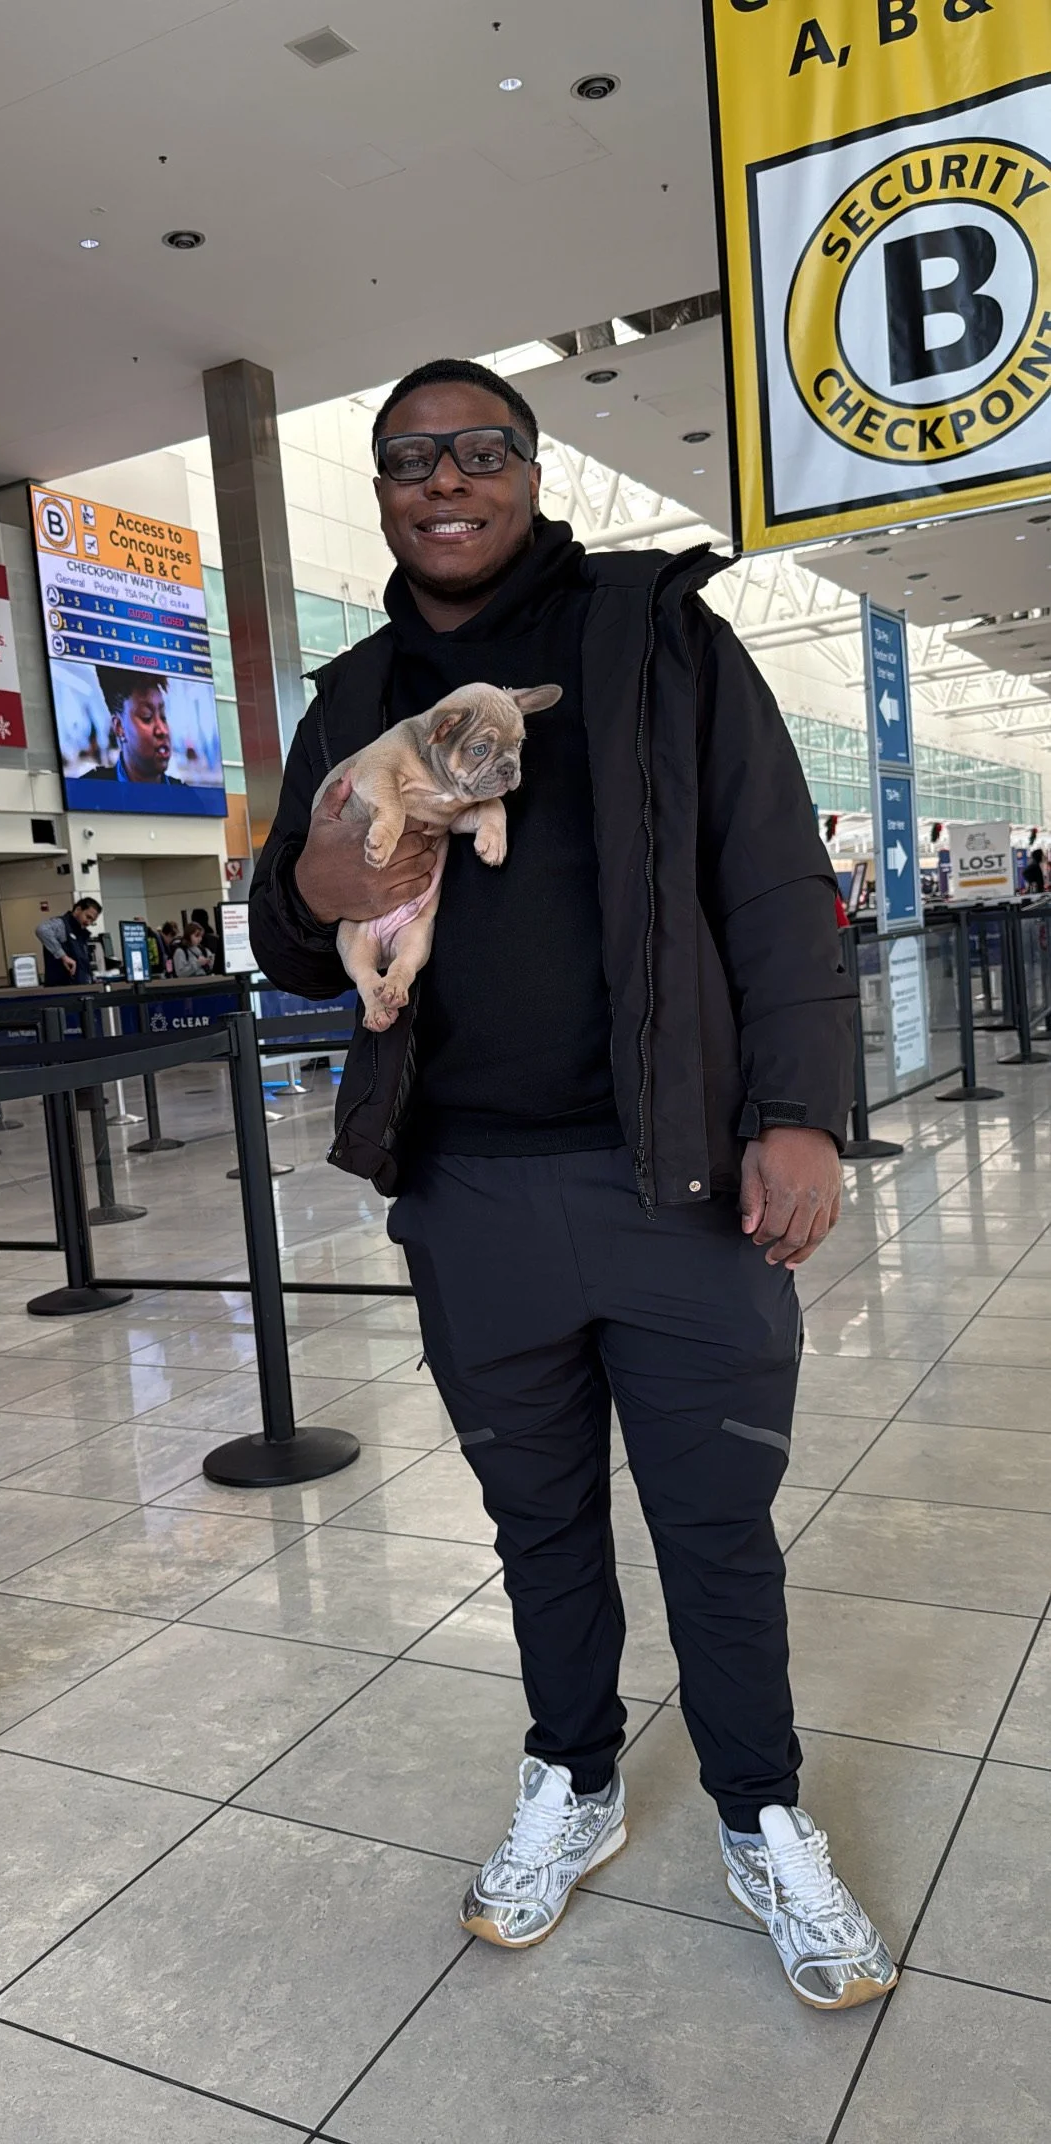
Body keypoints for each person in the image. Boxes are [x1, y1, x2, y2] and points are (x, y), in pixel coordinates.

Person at [248, 357, 894, 2012]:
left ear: (533, 471)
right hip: (466, 1189)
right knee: (537, 1524)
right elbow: (286, 931)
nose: (443, 478)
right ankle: (574, 1773)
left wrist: (803, 1111)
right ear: (381, 486)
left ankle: (760, 1810)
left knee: (716, 1531)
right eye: (407, 457)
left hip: (679, 1185)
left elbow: (770, 886)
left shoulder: (658, 635)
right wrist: (346, 854)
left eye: (479, 449)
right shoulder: (355, 690)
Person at [81, 668, 184, 786]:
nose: (163, 730)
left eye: (163, 717)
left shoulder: (187, 798)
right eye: (147, 717)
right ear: (119, 727)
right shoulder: (87, 792)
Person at [35, 897, 102, 985]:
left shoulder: (81, 933)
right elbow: (42, 929)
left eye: (92, 921)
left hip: (80, 987)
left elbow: (82, 963)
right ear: (78, 909)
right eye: (88, 917)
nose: (88, 923)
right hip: (62, 989)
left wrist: (91, 978)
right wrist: (63, 956)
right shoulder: (61, 924)